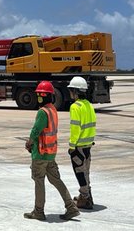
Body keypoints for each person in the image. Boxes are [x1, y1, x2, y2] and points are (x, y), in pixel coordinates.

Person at [24, 81, 80, 221]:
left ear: (42, 96)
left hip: (41, 152)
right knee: (56, 180)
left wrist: (29, 142)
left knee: (39, 181)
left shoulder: (43, 112)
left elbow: (36, 130)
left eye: (39, 95)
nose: (38, 97)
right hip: (51, 153)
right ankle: (71, 207)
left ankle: (39, 211)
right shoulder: (53, 110)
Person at [67, 76, 96, 209]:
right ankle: (88, 196)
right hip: (88, 144)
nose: (70, 93)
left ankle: (84, 198)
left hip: (79, 145)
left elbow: (75, 128)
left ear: (75, 91)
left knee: (79, 172)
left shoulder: (75, 107)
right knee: (86, 171)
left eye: (71, 90)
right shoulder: (89, 105)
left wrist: (72, 146)